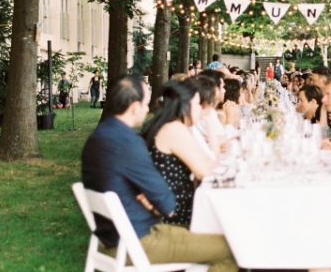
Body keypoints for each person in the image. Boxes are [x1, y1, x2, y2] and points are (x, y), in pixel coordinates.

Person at [81, 76, 237, 272]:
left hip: (115, 238)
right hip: (139, 240)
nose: (149, 109)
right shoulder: (128, 142)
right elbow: (168, 206)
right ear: (135, 107)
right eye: (146, 104)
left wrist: (150, 200)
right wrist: (153, 202)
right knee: (232, 249)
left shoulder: (97, 138)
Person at [141, 80, 218, 227]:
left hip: (169, 211)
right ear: (185, 106)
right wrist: (209, 123)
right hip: (175, 217)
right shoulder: (175, 129)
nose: (200, 108)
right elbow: (205, 171)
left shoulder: (162, 125)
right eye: (197, 103)